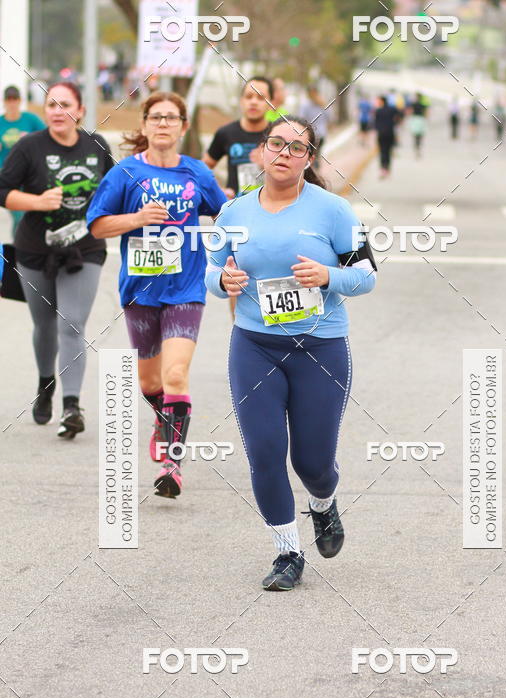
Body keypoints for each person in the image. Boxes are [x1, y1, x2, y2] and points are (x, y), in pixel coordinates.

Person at [205, 117, 377, 591]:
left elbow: (367, 277)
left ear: (309, 159)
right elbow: (212, 275)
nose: (283, 152)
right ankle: (287, 551)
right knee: (264, 452)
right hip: (254, 345)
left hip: (320, 348)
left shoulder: (335, 211)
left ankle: (323, 502)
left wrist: (328, 276)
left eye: (295, 147)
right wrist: (223, 282)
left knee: (313, 462)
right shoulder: (234, 213)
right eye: (275, 144)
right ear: (261, 152)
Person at [87, 91, 227, 499]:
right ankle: (163, 418)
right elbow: (96, 226)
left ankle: (172, 465)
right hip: (140, 291)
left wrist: (232, 254)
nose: (163, 123)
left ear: (184, 127)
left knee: (176, 374)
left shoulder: (197, 173)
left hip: (186, 288)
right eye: (156, 117)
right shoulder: (125, 174)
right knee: (150, 381)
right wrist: (136, 218)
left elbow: (225, 214)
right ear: (145, 125)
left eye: (172, 117)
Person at [0, 81, 113, 438]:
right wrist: (36, 202)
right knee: (45, 325)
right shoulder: (29, 147)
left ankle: (71, 405)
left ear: (79, 110)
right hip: (34, 250)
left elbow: (114, 190)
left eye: (65, 104)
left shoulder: (96, 145)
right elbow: (2, 191)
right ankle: (46, 383)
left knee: (72, 324)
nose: (57, 111)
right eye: (51, 104)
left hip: (85, 249)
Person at [204, 76, 274, 319]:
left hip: (274, 213)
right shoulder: (226, 133)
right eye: (249, 96)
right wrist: (219, 192)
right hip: (238, 216)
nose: (254, 102)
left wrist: (267, 161)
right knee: (237, 278)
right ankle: (243, 331)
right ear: (241, 101)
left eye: (260, 97)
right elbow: (204, 169)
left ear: (271, 102)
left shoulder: (277, 135)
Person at [0, 86, 45, 236]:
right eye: (9, 99)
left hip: (29, 174)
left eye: (15, 99)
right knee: (18, 214)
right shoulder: (1, 122)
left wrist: (31, 140)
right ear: (4, 102)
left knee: (29, 213)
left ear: (20, 101)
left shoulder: (30, 119)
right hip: (7, 177)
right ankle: (19, 246)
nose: (12, 103)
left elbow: (47, 136)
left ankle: (27, 246)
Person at [298, 85, 330, 168]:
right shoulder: (319, 104)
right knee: (315, 156)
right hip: (316, 134)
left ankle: (314, 174)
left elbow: (301, 119)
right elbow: (329, 118)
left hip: (315, 134)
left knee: (313, 156)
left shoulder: (307, 105)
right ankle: (315, 174)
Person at [374, 95, 398, 178]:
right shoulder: (392, 109)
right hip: (390, 133)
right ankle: (387, 168)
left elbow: (375, 124)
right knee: (388, 151)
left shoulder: (378, 111)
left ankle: (382, 169)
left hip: (381, 134)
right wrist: (394, 122)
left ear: (382, 101)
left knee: (382, 151)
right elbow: (399, 115)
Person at [408, 93, 428, 159]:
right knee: (420, 134)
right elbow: (426, 113)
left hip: (415, 119)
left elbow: (410, 111)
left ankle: (416, 146)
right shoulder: (423, 105)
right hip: (420, 119)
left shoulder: (413, 104)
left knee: (415, 134)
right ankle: (418, 146)